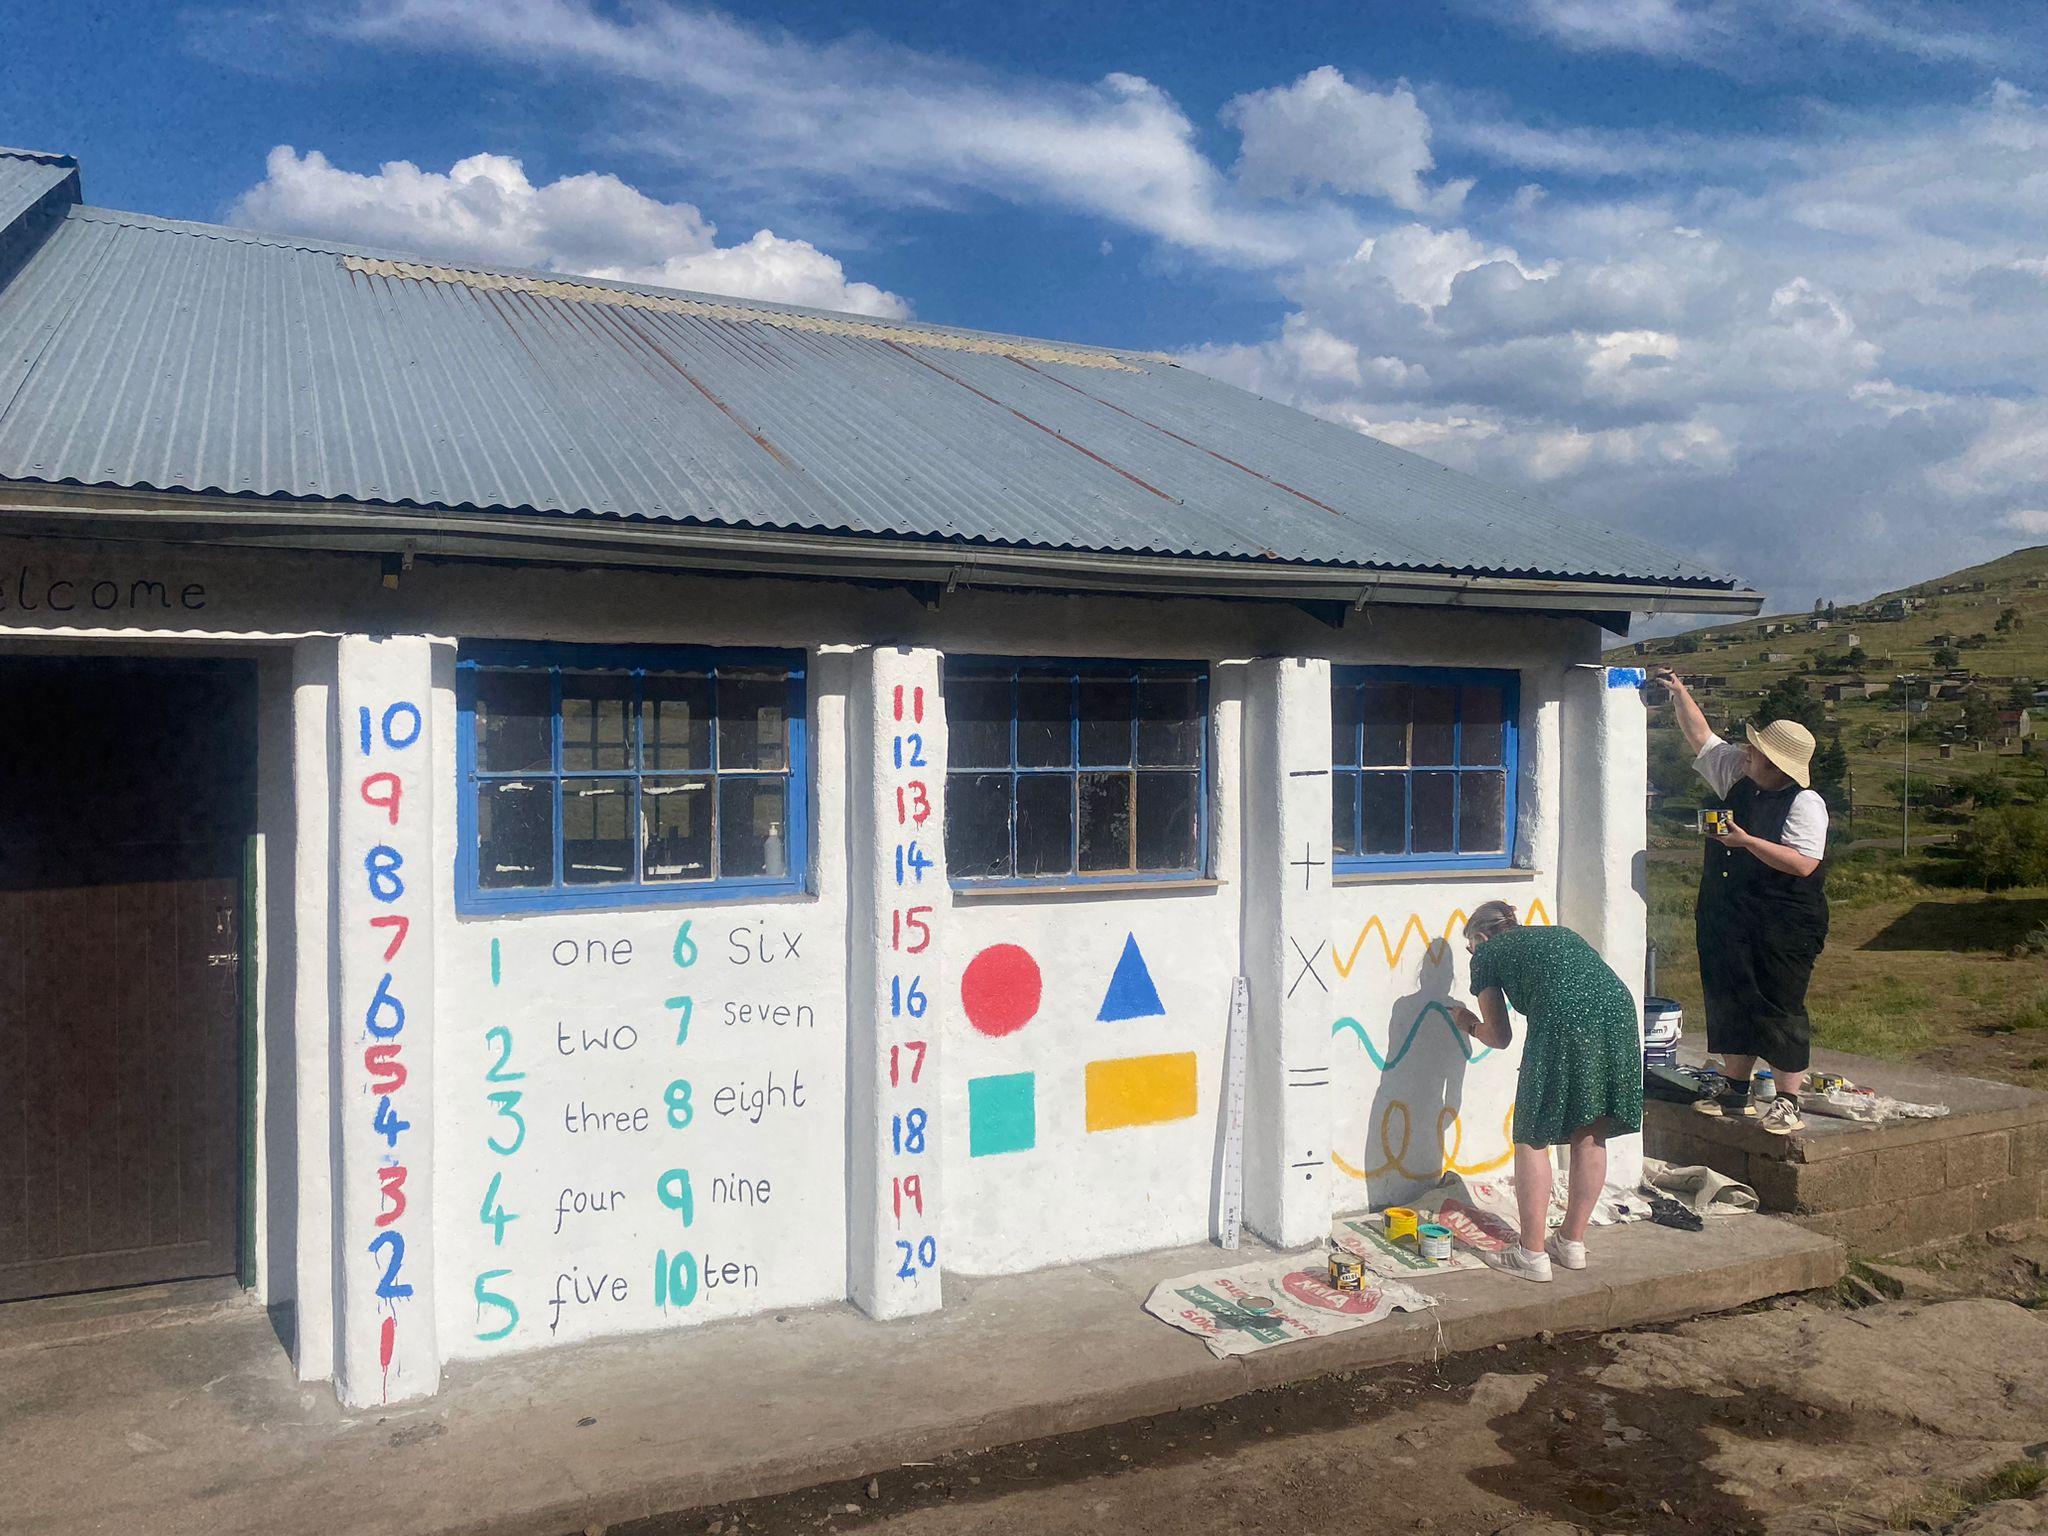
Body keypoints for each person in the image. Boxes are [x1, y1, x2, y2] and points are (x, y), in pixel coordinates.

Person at [1649, 668, 1828, 1136]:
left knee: (1779, 1004)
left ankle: (1787, 1100)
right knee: (1728, 997)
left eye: (1758, 752)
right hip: (1728, 914)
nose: (1747, 753)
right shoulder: (1738, 772)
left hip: (1784, 921)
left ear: (1778, 767)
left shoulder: (1805, 803)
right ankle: (1735, 1090)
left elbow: (1803, 863)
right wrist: (1680, 693)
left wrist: (1746, 841)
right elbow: (1702, 740)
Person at [1447, 900, 1645, 1283]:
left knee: (1532, 1134)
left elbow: (1499, 1036)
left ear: (1481, 937)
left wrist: (1468, 1023)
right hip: (1617, 1016)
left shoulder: (1487, 952)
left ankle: (1531, 1254)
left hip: (1563, 1022)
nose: (1473, 954)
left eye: (1470, 947)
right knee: (1591, 1128)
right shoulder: (1556, 933)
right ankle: (1571, 1243)